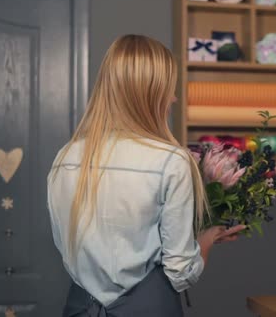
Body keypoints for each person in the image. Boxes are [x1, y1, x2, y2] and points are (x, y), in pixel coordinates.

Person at [47, 34, 245, 317]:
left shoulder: (65, 158)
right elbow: (181, 273)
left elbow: (69, 249)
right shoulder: (171, 160)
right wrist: (204, 240)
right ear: (150, 93)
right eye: (168, 88)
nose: (174, 97)